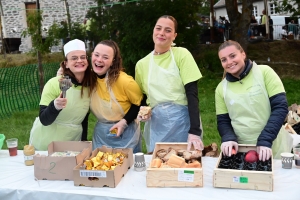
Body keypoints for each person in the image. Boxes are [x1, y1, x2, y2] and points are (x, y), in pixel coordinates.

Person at [135, 15, 204, 153]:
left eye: (167, 30)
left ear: (174, 36)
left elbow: (192, 94)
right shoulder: (142, 64)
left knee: (185, 164)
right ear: (153, 30)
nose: (161, 33)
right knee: (159, 164)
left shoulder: (182, 55)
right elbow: (141, 99)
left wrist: (194, 131)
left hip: (183, 122)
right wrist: (143, 113)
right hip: (157, 124)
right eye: (158, 28)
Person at [215, 40, 292, 161]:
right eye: (224, 60)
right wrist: (228, 137)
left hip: (272, 144)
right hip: (242, 150)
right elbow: (223, 120)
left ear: (243, 54)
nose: (229, 62)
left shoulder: (264, 72)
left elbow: (280, 108)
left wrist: (266, 139)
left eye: (233, 56)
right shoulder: (221, 88)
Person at [30, 39, 95, 150]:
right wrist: (55, 106)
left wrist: (83, 144)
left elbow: (83, 119)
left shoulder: (89, 87)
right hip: (46, 142)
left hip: (72, 142)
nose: (79, 60)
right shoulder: (54, 83)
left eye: (83, 57)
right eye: (74, 58)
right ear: (66, 64)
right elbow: (44, 120)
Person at [90, 40, 144, 153]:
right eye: (96, 55)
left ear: (113, 61)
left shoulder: (125, 81)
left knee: (128, 167)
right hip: (101, 133)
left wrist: (124, 122)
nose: (99, 60)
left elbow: (140, 103)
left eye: (105, 57)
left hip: (126, 133)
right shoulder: (89, 79)